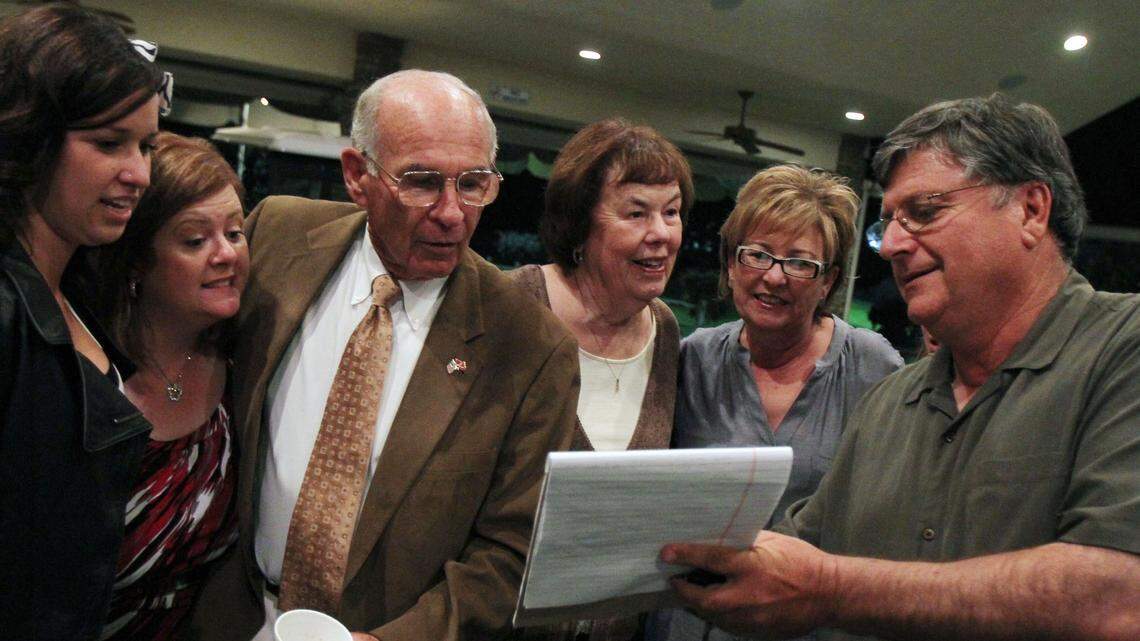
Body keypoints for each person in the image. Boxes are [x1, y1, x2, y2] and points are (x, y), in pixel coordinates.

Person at [662, 94, 1140, 640]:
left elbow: (1121, 598)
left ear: (1031, 210)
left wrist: (832, 590)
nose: (889, 245)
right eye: (888, 221)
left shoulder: (1121, 350)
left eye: (925, 212)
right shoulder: (891, 399)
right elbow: (796, 550)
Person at [185, 69, 579, 641]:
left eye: (472, 184)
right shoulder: (275, 237)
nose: (451, 212)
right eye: (421, 182)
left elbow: (513, 552)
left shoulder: (529, 346)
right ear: (356, 174)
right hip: (235, 616)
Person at [649, 166, 901, 641]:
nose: (774, 276)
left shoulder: (872, 366)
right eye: (757, 255)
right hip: (689, 622)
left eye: (800, 263)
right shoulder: (692, 361)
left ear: (828, 281)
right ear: (731, 263)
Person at [0, 5, 170, 639]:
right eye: (108, 143)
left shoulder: (77, 286)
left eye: (147, 145)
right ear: (30, 136)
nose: (138, 174)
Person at [509, 118, 691, 640]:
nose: (661, 233)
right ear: (580, 223)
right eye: (636, 212)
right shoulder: (514, 306)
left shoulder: (666, 330)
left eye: (672, 212)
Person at [93, 133, 246, 640]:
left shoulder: (243, 367)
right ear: (137, 261)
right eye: (195, 240)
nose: (226, 254)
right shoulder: (91, 377)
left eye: (235, 233)